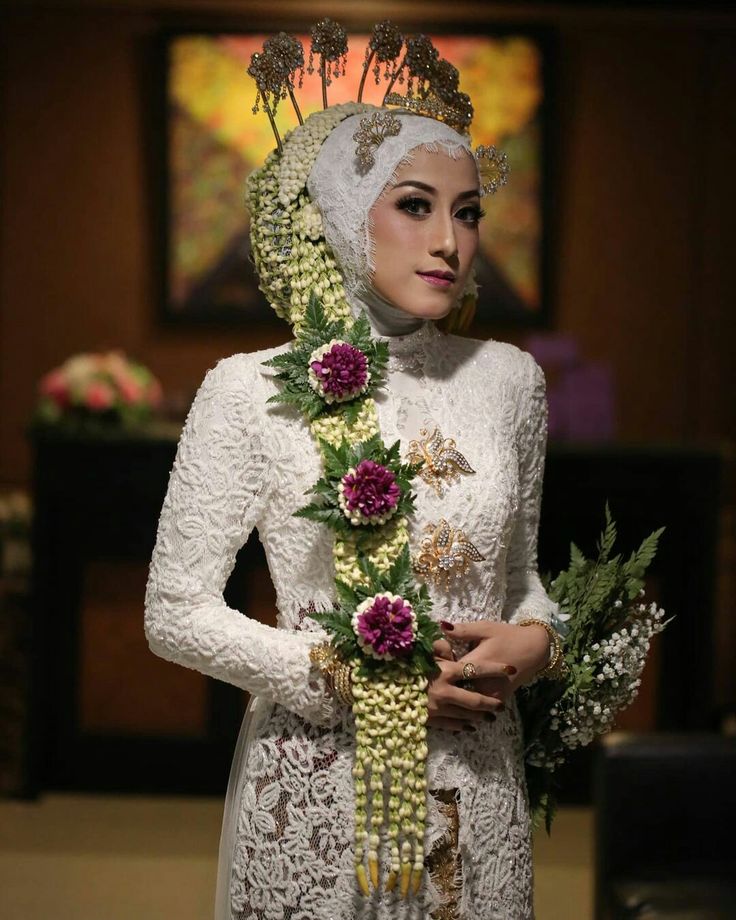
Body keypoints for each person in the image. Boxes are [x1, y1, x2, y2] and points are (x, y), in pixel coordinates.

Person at [144, 28, 563, 920]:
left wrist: (540, 643)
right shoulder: (248, 390)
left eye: (469, 211)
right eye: (415, 205)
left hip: (476, 776)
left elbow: (523, 581)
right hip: (317, 784)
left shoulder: (510, 383)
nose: (449, 241)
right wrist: (351, 678)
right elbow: (174, 611)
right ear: (340, 209)